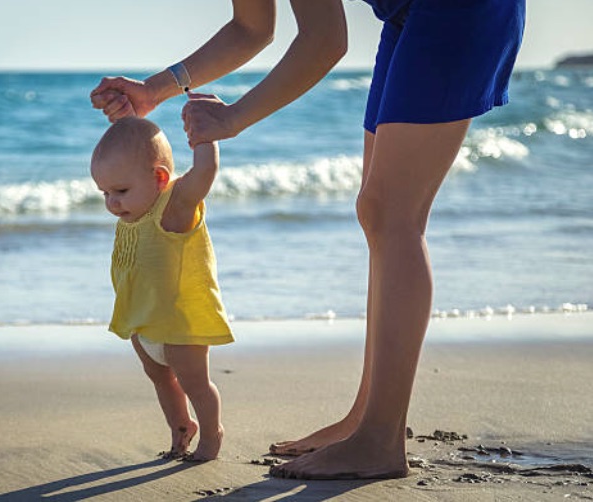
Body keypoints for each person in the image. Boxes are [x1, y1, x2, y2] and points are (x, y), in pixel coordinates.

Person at [91, 0, 525, 479]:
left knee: (391, 214)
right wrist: (153, 90)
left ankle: (379, 439)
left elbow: (325, 40)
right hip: (408, 15)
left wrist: (233, 119)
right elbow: (251, 27)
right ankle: (367, 419)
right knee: (379, 213)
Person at [90, 114, 234, 462]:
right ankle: (181, 427)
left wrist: (205, 137)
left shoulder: (173, 208)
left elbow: (203, 175)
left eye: (120, 191)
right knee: (160, 380)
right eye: (105, 193)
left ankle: (212, 433)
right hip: (143, 323)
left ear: (159, 178)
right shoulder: (131, 215)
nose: (112, 202)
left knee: (195, 385)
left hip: (180, 325)